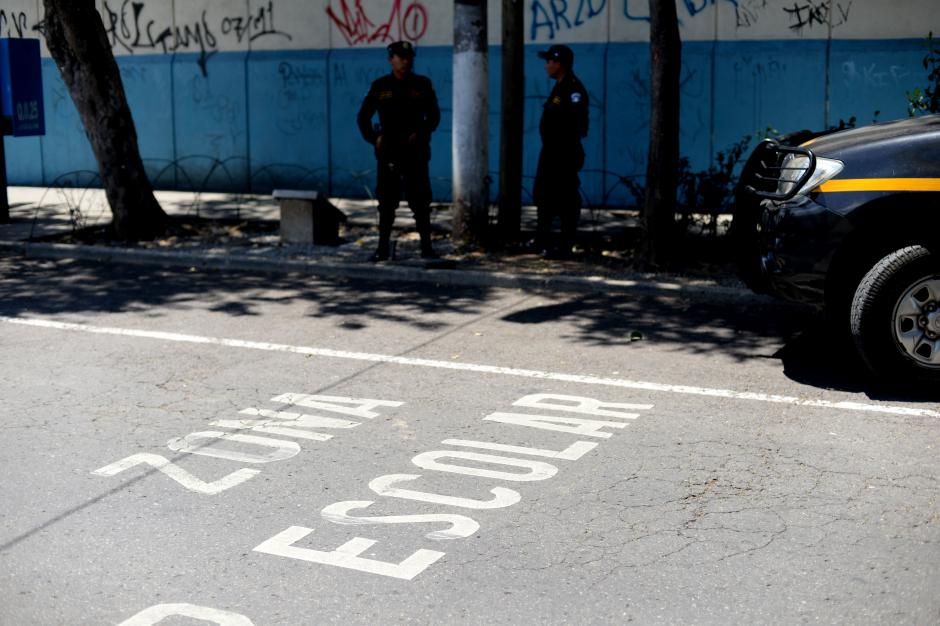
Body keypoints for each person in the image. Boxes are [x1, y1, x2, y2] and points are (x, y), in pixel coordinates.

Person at [357, 41, 441, 261]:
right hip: (389, 152)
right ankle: (382, 248)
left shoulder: (422, 84)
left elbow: (434, 116)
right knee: (386, 203)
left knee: (421, 202)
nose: (405, 61)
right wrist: (375, 138)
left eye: (408, 57)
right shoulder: (380, 86)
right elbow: (363, 117)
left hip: (415, 151)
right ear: (390, 59)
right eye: (400, 57)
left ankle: (426, 248)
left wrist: (421, 133)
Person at [532, 44, 589, 258]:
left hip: (563, 153)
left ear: (559, 63)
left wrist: (562, 147)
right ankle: (542, 240)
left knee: (565, 198)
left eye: (549, 61)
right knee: (545, 195)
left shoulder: (573, 89)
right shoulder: (560, 87)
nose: (546, 66)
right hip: (552, 152)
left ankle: (564, 246)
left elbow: (576, 124)